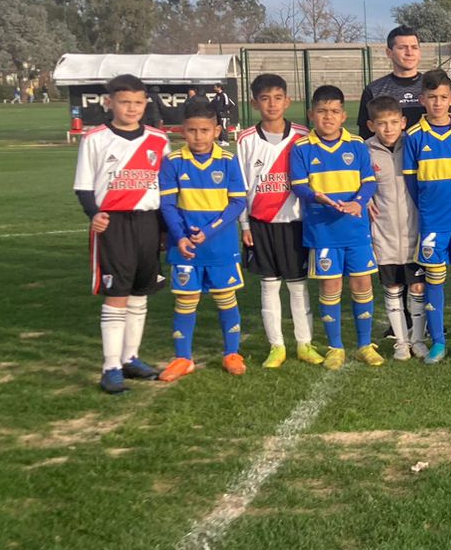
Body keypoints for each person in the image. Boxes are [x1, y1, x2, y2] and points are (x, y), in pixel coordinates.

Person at [74, 74, 169, 393]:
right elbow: (84, 186)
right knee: (117, 295)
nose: (131, 108)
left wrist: (165, 228)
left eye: (138, 102)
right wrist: (94, 214)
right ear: (109, 102)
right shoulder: (95, 139)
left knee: (140, 294)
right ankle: (110, 366)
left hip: (148, 223)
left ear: (146, 103)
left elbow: (165, 187)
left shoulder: (159, 140)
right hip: (114, 224)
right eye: (125, 101)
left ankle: (131, 358)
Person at [289, 86, 381, 368]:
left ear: (343, 115)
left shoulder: (356, 145)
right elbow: (299, 185)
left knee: (362, 283)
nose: (328, 117)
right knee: (331, 286)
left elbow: (369, 181)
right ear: (311, 114)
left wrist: (359, 202)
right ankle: (336, 347)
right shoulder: (302, 148)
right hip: (322, 231)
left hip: (355, 229)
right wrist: (317, 197)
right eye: (321, 111)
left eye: (334, 112)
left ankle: (365, 345)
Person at [156, 98, 248, 381]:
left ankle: (232, 353)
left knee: (225, 298)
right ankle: (184, 358)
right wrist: (180, 237)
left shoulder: (229, 160)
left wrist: (208, 230)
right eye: (192, 130)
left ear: (217, 131)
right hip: (185, 248)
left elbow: (237, 204)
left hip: (220, 246)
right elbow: (168, 205)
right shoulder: (172, 162)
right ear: (182, 130)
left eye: (205, 130)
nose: (199, 136)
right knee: (186, 300)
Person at [236, 74, 320, 367]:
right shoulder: (245, 140)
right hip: (260, 225)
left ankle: (304, 343)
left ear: (288, 100)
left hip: (295, 223)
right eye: (264, 98)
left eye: (277, 97)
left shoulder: (302, 135)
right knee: (269, 285)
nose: (271, 104)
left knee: (298, 285)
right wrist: (245, 225)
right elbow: (240, 187)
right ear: (254, 102)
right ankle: (276, 346)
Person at [403, 70, 451, 362]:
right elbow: (412, 184)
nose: (437, 103)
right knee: (435, 280)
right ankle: (438, 342)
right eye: (432, 97)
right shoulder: (413, 137)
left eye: (443, 97)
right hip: (432, 223)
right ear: (422, 99)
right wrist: (429, 209)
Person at [365, 96, 428, 360]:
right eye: (382, 124)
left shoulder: (412, 145)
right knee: (392, 289)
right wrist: (363, 198)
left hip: (414, 232)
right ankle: (401, 342)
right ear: (371, 126)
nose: (388, 129)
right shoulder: (364, 150)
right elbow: (359, 181)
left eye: (393, 122)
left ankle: (418, 339)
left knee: (418, 289)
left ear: (403, 122)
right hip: (384, 234)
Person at [357, 26, 426, 134]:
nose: (409, 53)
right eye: (402, 48)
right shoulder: (374, 91)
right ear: (389, 53)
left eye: (414, 47)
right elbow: (365, 137)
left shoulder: (433, 88)